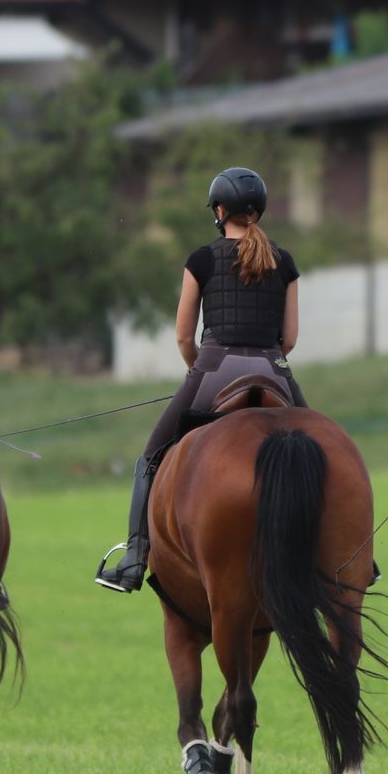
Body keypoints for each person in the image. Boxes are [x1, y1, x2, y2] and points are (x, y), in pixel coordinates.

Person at [97, 167, 306, 593]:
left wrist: (200, 369)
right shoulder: (284, 262)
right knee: (320, 450)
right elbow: (289, 340)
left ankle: (135, 557)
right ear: (258, 211)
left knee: (151, 455)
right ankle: (348, 554)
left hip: (214, 367)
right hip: (274, 369)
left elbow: (182, 336)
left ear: (220, 210)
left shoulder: (202, 259)